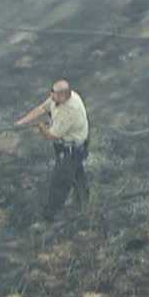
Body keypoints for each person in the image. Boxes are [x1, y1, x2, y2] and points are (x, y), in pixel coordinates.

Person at [15, 80, 91, 219]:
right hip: (69, 147)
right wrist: (21, 122)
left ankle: (51, 215)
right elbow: (42, 109)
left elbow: (51, 136)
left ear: (64, 95)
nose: (51, 96)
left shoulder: (69, 111)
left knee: (59, 182)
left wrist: (41, 126)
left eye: (54, 94)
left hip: (73, 150)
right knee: (76, 173)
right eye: (52, 92)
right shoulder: (57, 98)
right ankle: (83, 202)